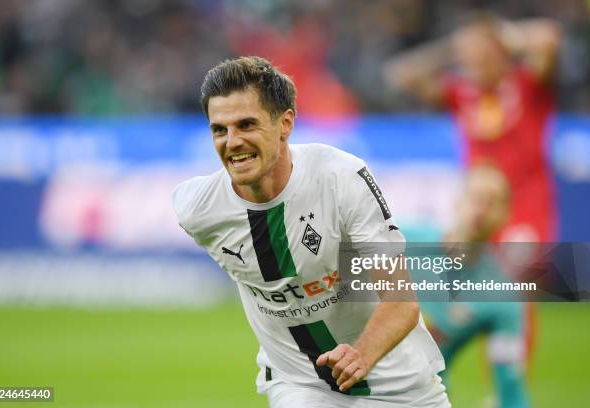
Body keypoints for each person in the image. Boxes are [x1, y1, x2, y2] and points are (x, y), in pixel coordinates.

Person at [172, 56, 450, 407]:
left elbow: (401, 300)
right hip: (299, 384)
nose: (232, 141)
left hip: (398, 381)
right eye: (219, 129)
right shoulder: (198, 209)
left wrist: (361, 355)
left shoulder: (341, 179)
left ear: (285, 123)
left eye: (246, 125)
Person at [385, 13, 561, 242]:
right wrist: (453, 48)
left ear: (500, 53)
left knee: (518, 272)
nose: (471, 64)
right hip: (479, 209)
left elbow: (548, 37)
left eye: (482, 55)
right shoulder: (460, 94)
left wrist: (503, 35)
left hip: (527, 207)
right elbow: (401, 73)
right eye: (468, 57)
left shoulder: (527, 84)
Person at [421, 165, 531, 408]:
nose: (482, 210)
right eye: (476, 199)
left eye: (492, 203)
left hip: (419, 397)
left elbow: (511, 391)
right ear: (457, 202)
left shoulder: (502, 298)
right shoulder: (402, 237)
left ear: (505, 215)